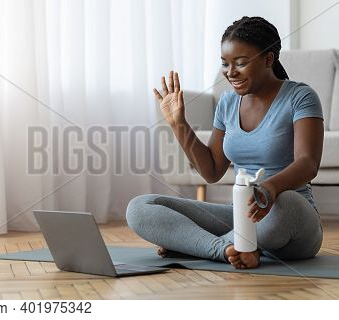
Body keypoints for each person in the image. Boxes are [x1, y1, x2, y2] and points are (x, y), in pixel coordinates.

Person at [126, 16, 324, 269]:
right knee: (141, 207)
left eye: (241, 63)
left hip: (290, 219)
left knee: (285, 204)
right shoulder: (228, 103)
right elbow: (211, 171)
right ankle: (227, 249)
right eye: (225, 64)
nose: (230, 73)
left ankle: (198, 246)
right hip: (241, 216)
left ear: (268, 59)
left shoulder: (300, 96)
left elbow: (308, 163)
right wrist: (179, 124)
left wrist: (269, 189)